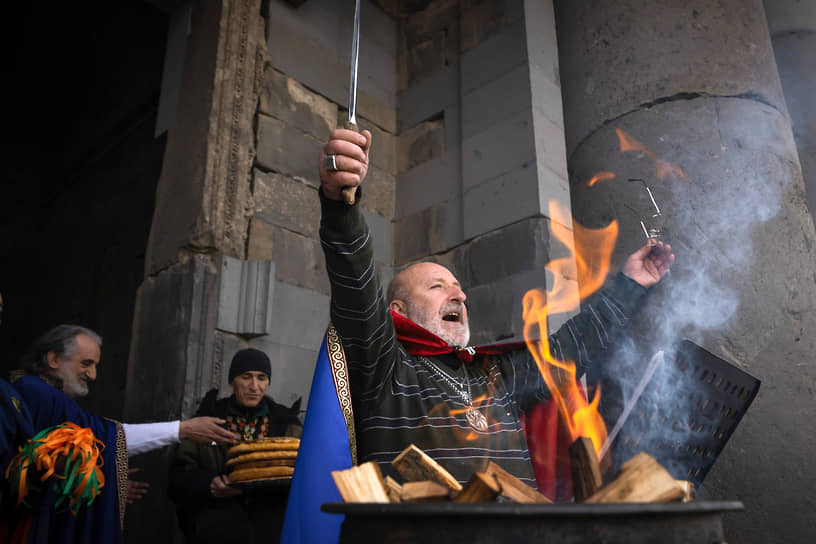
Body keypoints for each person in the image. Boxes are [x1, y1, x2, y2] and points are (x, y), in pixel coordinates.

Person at [316, 129, 674, 486]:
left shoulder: (496, 375)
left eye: (458, 286)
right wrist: (340, 205)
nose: (459, 295)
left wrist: (629, 285)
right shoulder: (384, 366)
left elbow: (571, 348)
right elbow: (357, 285)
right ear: (399, 310)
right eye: (437, 286)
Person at [10, 324, 239, 544]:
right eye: (86, 363)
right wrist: (183, 429)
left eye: (95, 366)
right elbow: (97, 438)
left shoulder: (47, 396)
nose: (93, 375)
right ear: (53, 359)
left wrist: (102, 483)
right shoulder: (36, 393)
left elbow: (63, 466)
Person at [169, 348, 302, 544]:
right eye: (246, 377)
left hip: (270, 528)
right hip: (215, 529)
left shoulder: (287, 424)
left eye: (262, 378)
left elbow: (304, 477)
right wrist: (209, 484)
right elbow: (177, 479)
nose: (254, 386)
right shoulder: (208, 420)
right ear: (232, 381)